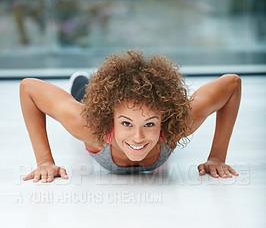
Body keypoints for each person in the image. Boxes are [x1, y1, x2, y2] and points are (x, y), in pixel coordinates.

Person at [20, 50, 241, 182]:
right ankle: (80, 80)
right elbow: (29, 88)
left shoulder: (180, 123)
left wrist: (217, 157)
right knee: (83, 95)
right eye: (126, 123)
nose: (137, 137)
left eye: (150, 123)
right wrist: (45, 161)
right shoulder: (88, 126)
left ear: (165, 119)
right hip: (92, 104)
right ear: (110, 119)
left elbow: (232, 83)